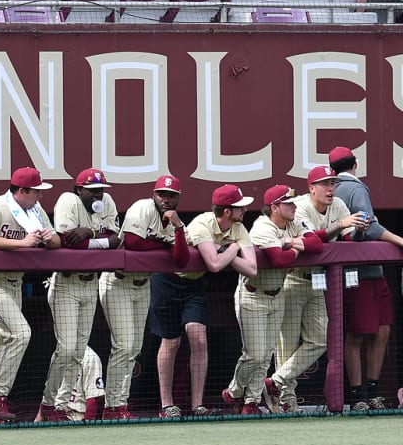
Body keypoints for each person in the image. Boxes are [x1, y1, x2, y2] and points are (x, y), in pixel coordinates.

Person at [152, 184, 258, 419]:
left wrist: (226, 250)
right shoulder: (202, 224)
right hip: (168, 282)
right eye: (240, 207)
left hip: (195, 284)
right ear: (227, 211)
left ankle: (197, 405)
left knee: (198, 338)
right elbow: (215, 265)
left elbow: (251, 269)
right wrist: (232, 248)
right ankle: (167, 405)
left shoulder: (239, 227)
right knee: (171, 343)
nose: (246, 210)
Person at [270, 165, 366, 412]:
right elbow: (312, 240)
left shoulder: (339, 206)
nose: (330, 188)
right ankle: (286, 400)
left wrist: (357, 230)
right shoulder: (300, 205)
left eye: (332, 183)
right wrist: (342, 224)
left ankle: (276, 381)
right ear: (311, 188)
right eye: (324, 184)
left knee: (321, 340)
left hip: (318, 280)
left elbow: (348, 237)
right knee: (287, 343)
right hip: (293, 279)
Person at [222, 185, 323, 416]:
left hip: (277, 294)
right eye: (288, 203)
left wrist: (292, 242)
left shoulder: (293, 222)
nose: (294, 206)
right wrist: (296, 248)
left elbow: (316, 244)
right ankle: (235, 392)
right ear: (274, 207)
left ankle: (251, 401)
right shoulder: (262, 226)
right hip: (253, 294)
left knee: (266, 354)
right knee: (254, 354)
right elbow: (279, 259)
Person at [97, 174, 189, 420]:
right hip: (118, 282)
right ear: (154, 195)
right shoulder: (142, 208)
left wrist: (178, 228)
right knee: (124, 345)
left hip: (142, 284)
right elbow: (134, 242)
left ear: (178, 198)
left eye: (171, 196)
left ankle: (119, 405)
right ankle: (113, 407)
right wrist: (163, 247)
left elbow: (181, 259)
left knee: (134, 348)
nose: (166, 200)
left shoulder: (174, 221)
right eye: (162, 194)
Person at [0, 166, 60, 424]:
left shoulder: (35, 211)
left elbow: (56, 242)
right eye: (36, 191)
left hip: (15, 283)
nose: (40, 196)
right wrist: (21, 243)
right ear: (21, 191)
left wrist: (48, 237)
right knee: (21, 333)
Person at [37, 168, 119, 422]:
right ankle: (47, 406)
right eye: (93, 190)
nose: (98, 194)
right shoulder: (68, 200)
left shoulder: (106, 202)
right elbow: (69, 242)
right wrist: (97, 238)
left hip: (90, 283)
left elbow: (118, 239)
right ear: (79, 189)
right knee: (66, 348)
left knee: (79, 351)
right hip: (66, 282)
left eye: (101, 189)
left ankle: (60, 407)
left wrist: (91, 233)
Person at [330, 146, 403, 410]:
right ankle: (359, 395)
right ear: (356, 164)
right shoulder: (354, 187)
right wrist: (399, 240)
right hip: (358, 273)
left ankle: (369, 393)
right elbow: (369, 226)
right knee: (359, 334)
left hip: (370, 272)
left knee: (381, 331)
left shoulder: (333, 189)